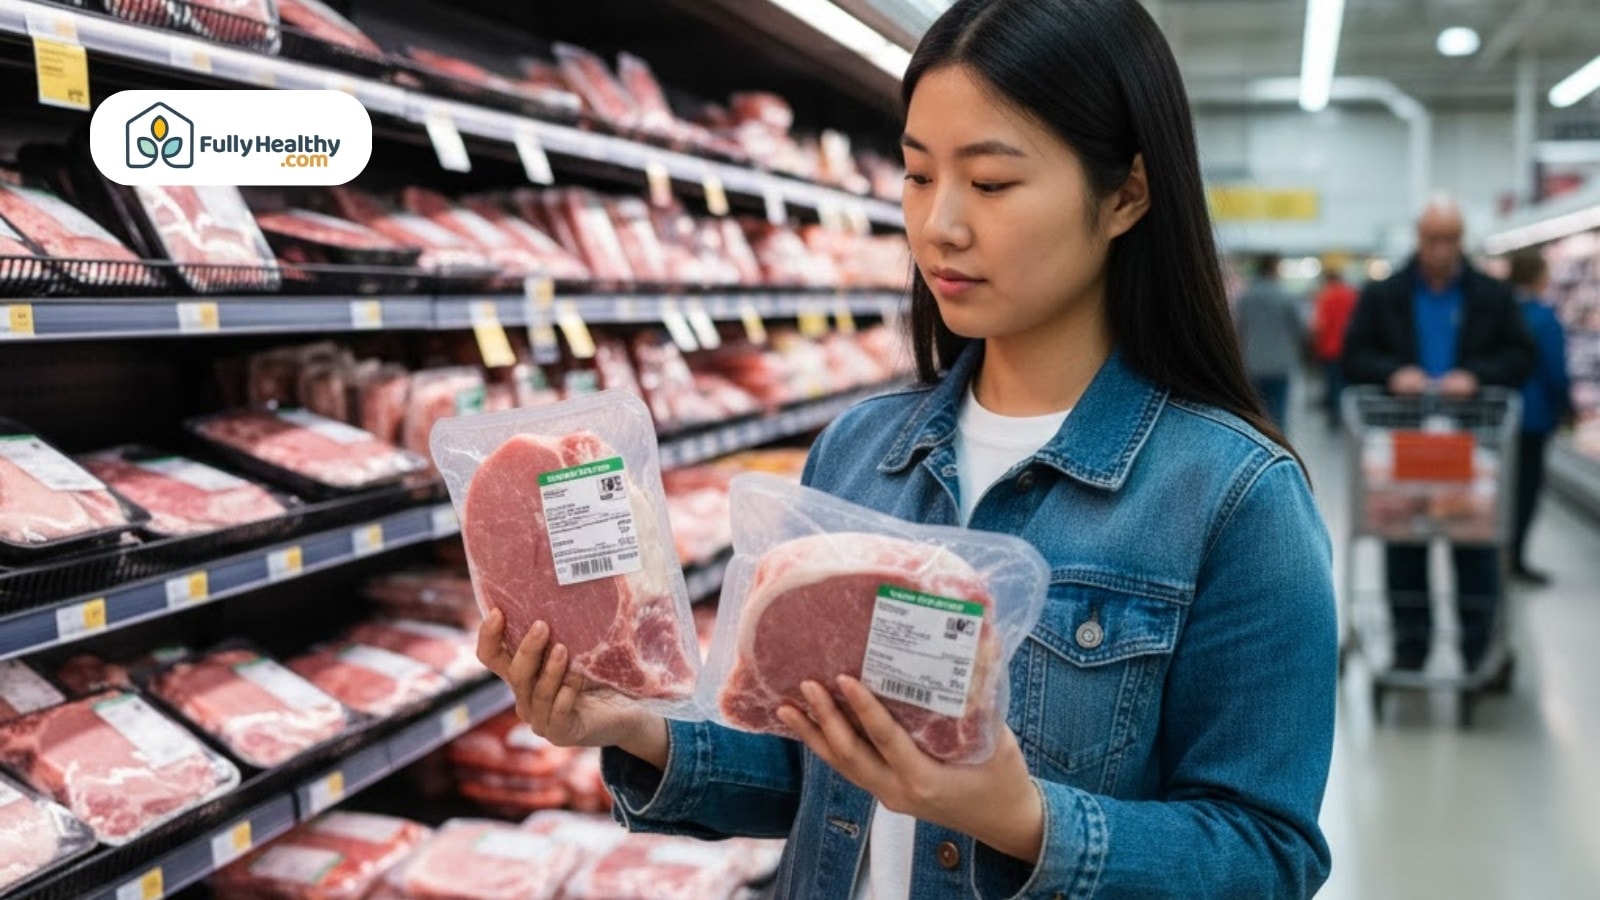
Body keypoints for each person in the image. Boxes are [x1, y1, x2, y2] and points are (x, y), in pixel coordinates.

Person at [477, 2, 1337, 897]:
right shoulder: (859, 451)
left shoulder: (1235, 499)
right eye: (918, 175)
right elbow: (809, 769)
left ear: (1126, 194)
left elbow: (1267, 854)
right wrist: (633, 728)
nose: (938, 225)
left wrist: (1020, 818)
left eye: (991, 183)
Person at [1342, 197, 1535, 675]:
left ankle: (1477, 650)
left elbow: (1520, 356)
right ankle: (1411, 646)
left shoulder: (1492, 295)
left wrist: (1475, 376)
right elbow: (1353, 355)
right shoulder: (1384, 295)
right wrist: (1392, 374)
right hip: (1404, 446)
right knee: (1404, 544)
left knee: (1474, 545)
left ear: (1462, 240)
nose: (1442, 250)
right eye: (1433, 239)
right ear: (1418, 238)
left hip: (1473, 445)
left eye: (1450, 239)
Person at [1506, 251, 1573, 585]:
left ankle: (1496, 553)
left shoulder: (1500, 311)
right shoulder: (1545, 318)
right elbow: (1555, 372)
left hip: (1498, 415)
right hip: (1534, 416)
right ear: (1537, 276)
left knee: (1500, 487)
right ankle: (1515, 557)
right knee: (1526, 489)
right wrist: (1566, 408)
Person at [1232, 252, 1304, 430]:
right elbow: (1298, 329)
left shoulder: (1246, 297)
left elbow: (1239, 329)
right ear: (1273, 269)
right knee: (1278, 414)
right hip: (1280, 363)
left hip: (1252, 362)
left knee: (1256, 412)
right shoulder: (1284, 296)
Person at [1312, 267, 1359, 428]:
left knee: (1333, 386)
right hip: (1350, 349)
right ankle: (1348, 420)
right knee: (1347, 387)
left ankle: (1335, 419)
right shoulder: (1352, 294)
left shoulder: (1326, 296)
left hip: (1330, 348)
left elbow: (1320, 325)